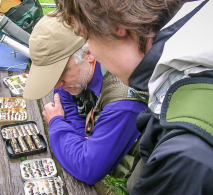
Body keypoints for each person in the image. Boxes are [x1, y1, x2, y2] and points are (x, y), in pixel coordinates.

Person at [51, 0, 213, 194]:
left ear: (115, 26)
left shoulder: (185, 155)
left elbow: (90, 167)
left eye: (86, 37)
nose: (89, 50)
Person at [23, 15, 148, 185]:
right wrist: (80, 139)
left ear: (89, 53)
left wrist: (57, 123)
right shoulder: (78, 71)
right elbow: (66, 101)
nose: (57, 84)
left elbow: (87, 169)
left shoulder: (123, 102)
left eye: (60, 74)